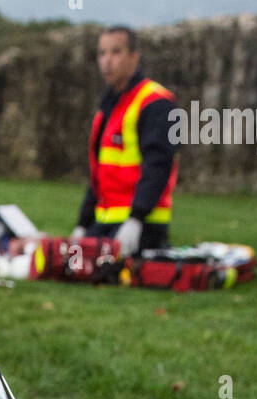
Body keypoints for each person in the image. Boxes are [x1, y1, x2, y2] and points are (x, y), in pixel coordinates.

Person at [72, 26, 178, 257]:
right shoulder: (108, 106)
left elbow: (158, 166)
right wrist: (83, 223)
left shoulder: (156, 102)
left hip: (143, 225)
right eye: (102, 53)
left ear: (134, 57)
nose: (107, 61)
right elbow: (99, 174)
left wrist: (136, 219)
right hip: (104, 222)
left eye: (116, 52)